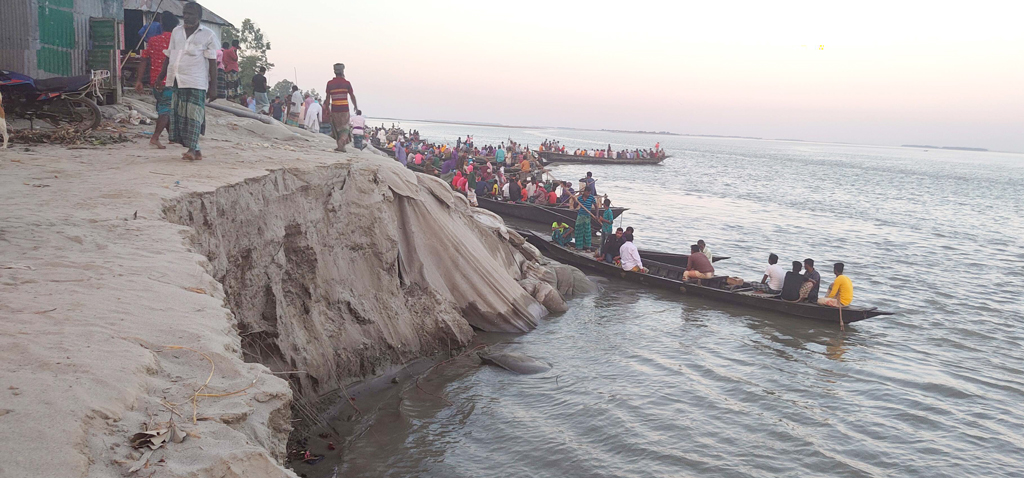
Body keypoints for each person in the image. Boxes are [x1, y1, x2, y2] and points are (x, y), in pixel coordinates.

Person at [157, 1, 218, 161]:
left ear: (198, 16)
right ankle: (195, 149)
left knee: (194, 116)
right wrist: (160, 76)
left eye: (190, 13)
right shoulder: (176, 32)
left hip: (197, 81)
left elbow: (212, 63)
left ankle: (192, 149)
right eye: (185, 13)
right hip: (178, 79)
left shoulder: (208, 34)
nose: (186, 16)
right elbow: (169, 55)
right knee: (180, 115)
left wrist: (213, 87)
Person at [134, 10, 177, 149]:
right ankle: (155, 137)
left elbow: (143, 60)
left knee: (163, 107)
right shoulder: (176, 41)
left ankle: (172, 137)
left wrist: (139, 80)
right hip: (170, 81)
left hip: (155, 81)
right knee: (166, 109)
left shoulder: (153, 40)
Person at [325, 63, 358, 152]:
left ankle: (341, 147)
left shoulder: (330, 83)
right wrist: (356, 106)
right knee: (345, 128)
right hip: (344, 109)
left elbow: (327, 99)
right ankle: (341, 142)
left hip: (335, 109)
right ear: (342, 71)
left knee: (337, 127)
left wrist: (327, 110)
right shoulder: (346, 83)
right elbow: (352, 96)